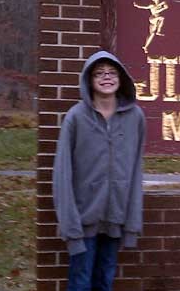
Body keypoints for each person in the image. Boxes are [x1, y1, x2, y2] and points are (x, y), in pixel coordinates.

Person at [52, 51, 145, 291]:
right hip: (83, 221)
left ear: (121, 78)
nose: (106, 77)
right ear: (89, 80)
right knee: (80, 282)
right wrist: (70, 226)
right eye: (99, 73)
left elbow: (136, 172)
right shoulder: (76, 117)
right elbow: (62, 174)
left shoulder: (135, 117)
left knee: (105, 281)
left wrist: (131, 223)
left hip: (115, 219)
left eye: (112, 72)